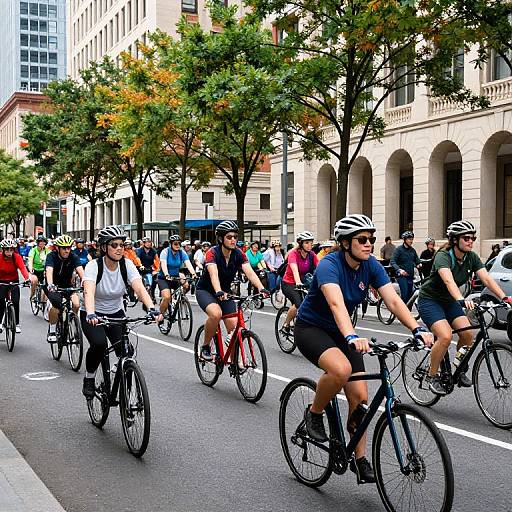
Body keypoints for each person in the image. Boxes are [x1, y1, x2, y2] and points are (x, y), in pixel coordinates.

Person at [294, 214, 433, 483]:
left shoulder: (370, 265)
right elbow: (335, 304)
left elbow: (392, 300)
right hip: (312, 329)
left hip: (343, 332)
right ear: (345, 243)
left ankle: (359, 459)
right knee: (341, 369)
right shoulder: (329, 265)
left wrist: (416, 329)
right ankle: (314, 414)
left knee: (360, 399)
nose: (369, 244)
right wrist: (351, 336)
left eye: (372, 239)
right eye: (362, 239)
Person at [418, 220, 512, 395]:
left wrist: (504, 297)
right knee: (445, 336)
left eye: (473, 238)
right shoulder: (444, 256)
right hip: (430, 300)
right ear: (455, 240)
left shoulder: (471, 257)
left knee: (468, 335)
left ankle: (458, 368)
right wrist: (461, 299)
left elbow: (487, 279)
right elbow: (448, 280)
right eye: (466, 238)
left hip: (450, 301)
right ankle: (431, 376)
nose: (471, 241)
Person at [81, 226, 162, 398]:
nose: (119, 248)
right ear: (104, 247)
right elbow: (89, 290)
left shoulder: (127, 264)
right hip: (93, 314)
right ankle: (89, 378)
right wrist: (90, 313)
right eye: (114, 245)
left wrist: (152, 308)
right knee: (99, 344)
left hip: (116, 312)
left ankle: (125, 391)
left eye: (122, 245)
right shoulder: (93, 266)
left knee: (127, 351)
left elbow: (139, 288)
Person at [195, 221, 268, 361]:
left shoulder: (238, 254)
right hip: (206, 290)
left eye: (235, 236)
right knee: (216, 314)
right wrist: (218, 291)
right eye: (229, 237)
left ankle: (234, 361)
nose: (233, 240)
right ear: (221, 239)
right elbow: (213, 274)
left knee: (234, 329)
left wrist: (261, 288)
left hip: (226, 292)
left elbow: (250, 273)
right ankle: (205, 347)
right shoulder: (212, 253)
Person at [45, 235, 85, 343]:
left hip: (68, 286)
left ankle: (72, 323)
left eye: (69, 248)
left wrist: (86, 283)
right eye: (64, 248)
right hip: (54, 286)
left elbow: (81, 271)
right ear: (57, 248)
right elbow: (49, 271)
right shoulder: (51, 256)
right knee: (56, 307)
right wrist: (50, 284)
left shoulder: (74, 256)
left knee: (76, 304)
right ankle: (52, 330)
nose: (67, 250)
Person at [280, 231, 319, 335]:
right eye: (306, 242)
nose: (309, 245)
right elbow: (294, 268)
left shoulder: (312, 255)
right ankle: (286, 324)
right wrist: (297, 281)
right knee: (298, 303)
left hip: (304, 283)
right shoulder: (293, 254)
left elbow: (320, 268)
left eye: (311, 242)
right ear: (300, 243)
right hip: (289, 283)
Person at [157, 235, 197, 318]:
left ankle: (177, 300)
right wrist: (167, 275)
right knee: (167, 297)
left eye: (179, 243)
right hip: (164, 278)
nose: (178, 245)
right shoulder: (165, 252)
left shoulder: (182, 252)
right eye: (175, 244)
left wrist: (193, 274)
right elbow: (163, 264)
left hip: (175, 276)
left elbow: (188, 263)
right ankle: (161, 314)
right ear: (171, 244)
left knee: (186, 285)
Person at [0, 239, 34, 333]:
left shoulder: (17, 257)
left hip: (14, 281)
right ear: (3, 250)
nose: (9, 252)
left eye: (11, 250)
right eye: (7, 250)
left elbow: (22, 268)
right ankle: (0, 323)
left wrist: (27, 279)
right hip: (1, 282)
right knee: (1, 301)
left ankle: (17, 323)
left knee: (15, 301)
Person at [390, 231, 420, 304]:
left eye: (412, 239)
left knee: (410, 297)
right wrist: (399, 270)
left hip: (410, 276)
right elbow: (392, 261)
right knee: (405, 294)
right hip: (401, 276)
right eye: (409, 239)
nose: (411, 241)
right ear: (405, 240)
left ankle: (407, 314)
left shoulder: (412, 250)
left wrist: (419, 264)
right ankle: (400, 312)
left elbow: (417, 260)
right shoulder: (399, 250)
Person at [27, 235, 50, 301]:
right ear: (38, 243)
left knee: (47, 284)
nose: (42, 243)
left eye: (43, 242)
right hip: (35, 270)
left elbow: (50, 261)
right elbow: (30, 260)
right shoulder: (33, 250)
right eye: (40, 242)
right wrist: (31, 269)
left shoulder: (47, 251)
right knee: (34, 281)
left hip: (44, 270)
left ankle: (44, 300)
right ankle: (32, 294)